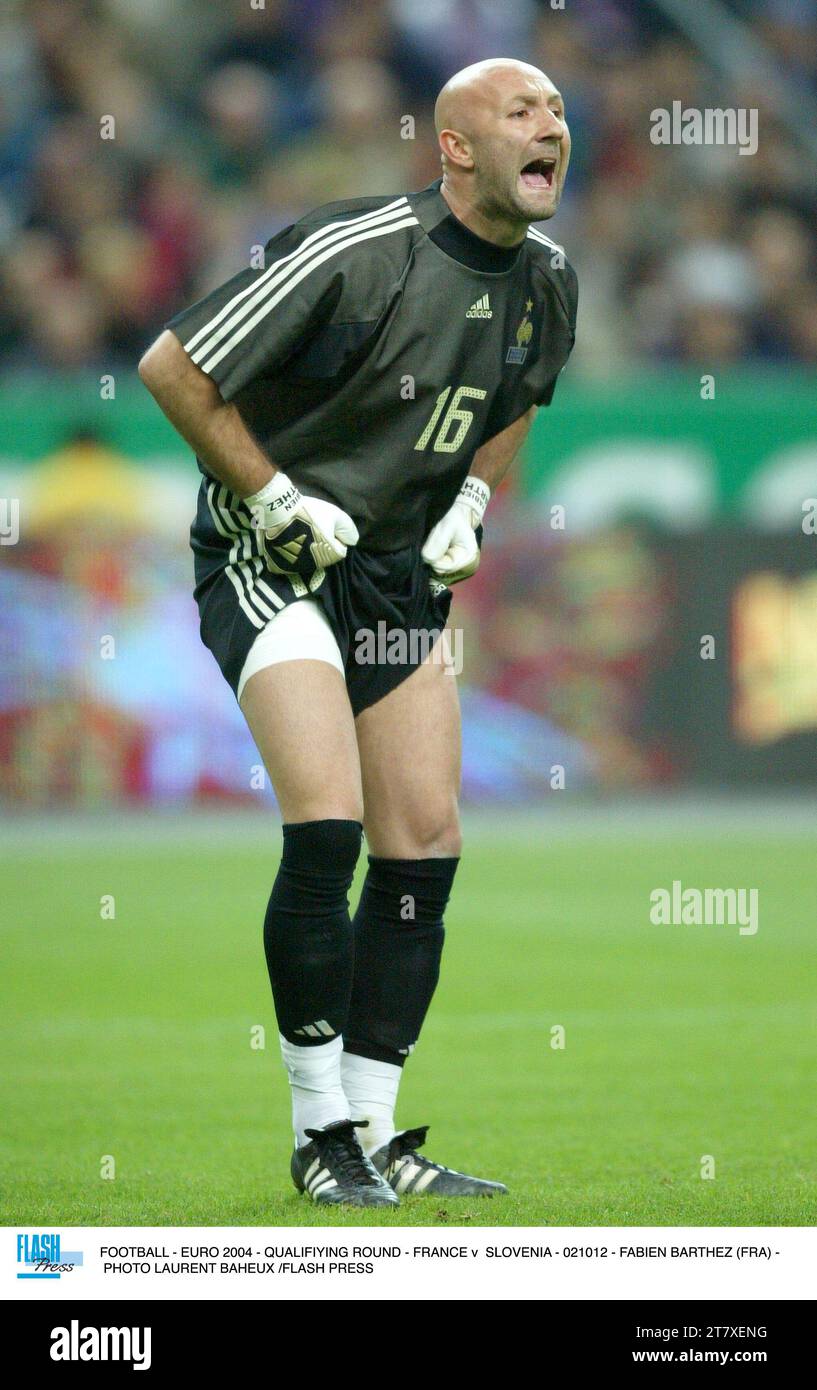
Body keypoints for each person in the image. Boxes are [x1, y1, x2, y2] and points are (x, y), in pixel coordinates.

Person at [138, 57, 577, 1207]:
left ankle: (378, 1135)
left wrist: (475, 506)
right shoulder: (357, 248)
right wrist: (278, 496)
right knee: (326, 827)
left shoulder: (549, 281)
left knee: (425, 839)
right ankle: (315, 1131)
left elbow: (513, 403)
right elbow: (170, 368)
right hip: (271, 554)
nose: (551, 126)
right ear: (455, 146)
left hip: (392, 576)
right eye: (521, 110)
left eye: (560, 111)